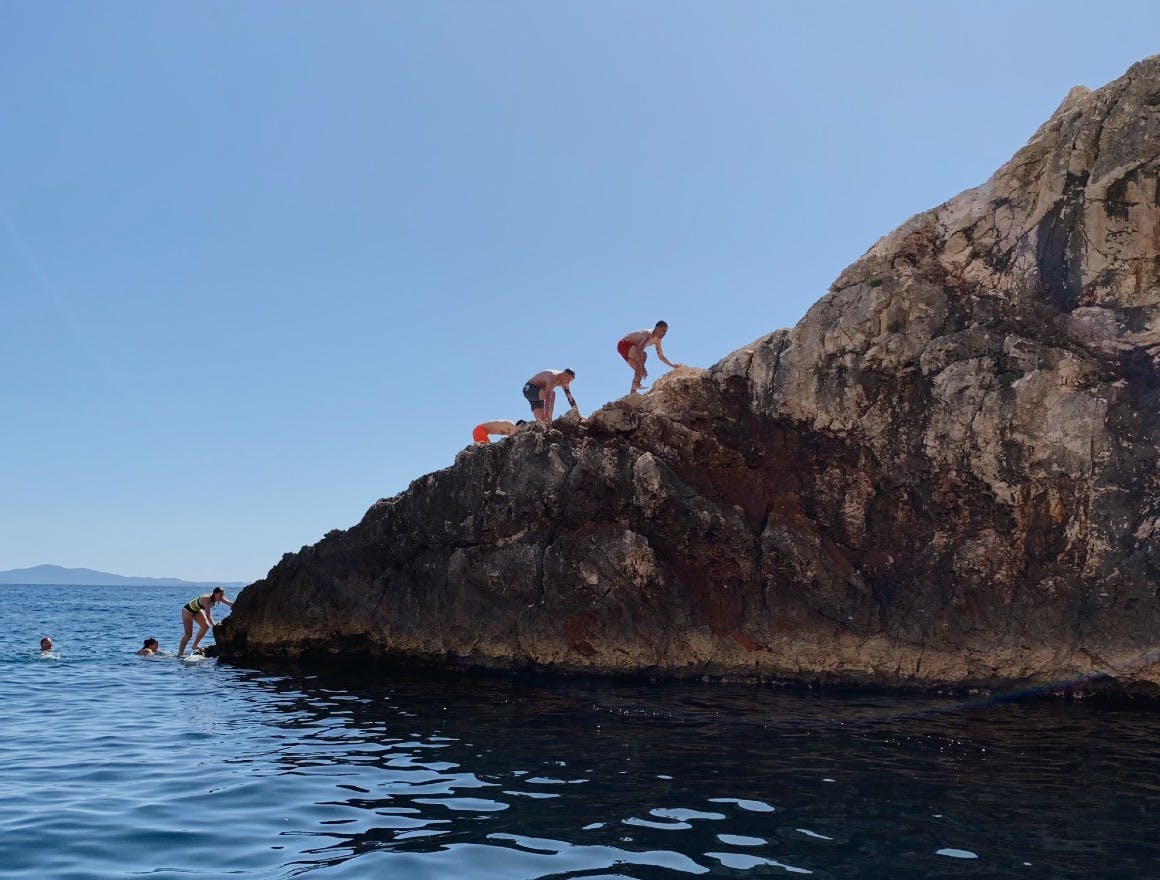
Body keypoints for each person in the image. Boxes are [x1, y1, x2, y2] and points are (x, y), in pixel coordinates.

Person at [617, 320, 676, 394]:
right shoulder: (649, 335)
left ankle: (632, 394)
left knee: (639, 371)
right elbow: (639, 349)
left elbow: (661, 356)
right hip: (624, 344)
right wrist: (643, 367)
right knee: (643, 357)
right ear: (657, 328)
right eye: (663, 331)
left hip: (628, 350)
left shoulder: (657, 340)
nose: (664, 334)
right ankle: (636, 384)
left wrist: (673, 366)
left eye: (666, 332)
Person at [178, 587, 234, 656]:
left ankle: (195, 645)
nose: (221, 597)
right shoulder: (207, 599)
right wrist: (214, 625)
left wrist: (238, 605)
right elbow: (208, 616)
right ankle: (180, 654)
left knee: (206, 626)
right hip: (187, 611)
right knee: (188, 634)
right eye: (220, 595)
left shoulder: (220, 598)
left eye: (222, 595)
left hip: (197, 610)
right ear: (215, 593)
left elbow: (229, 603)